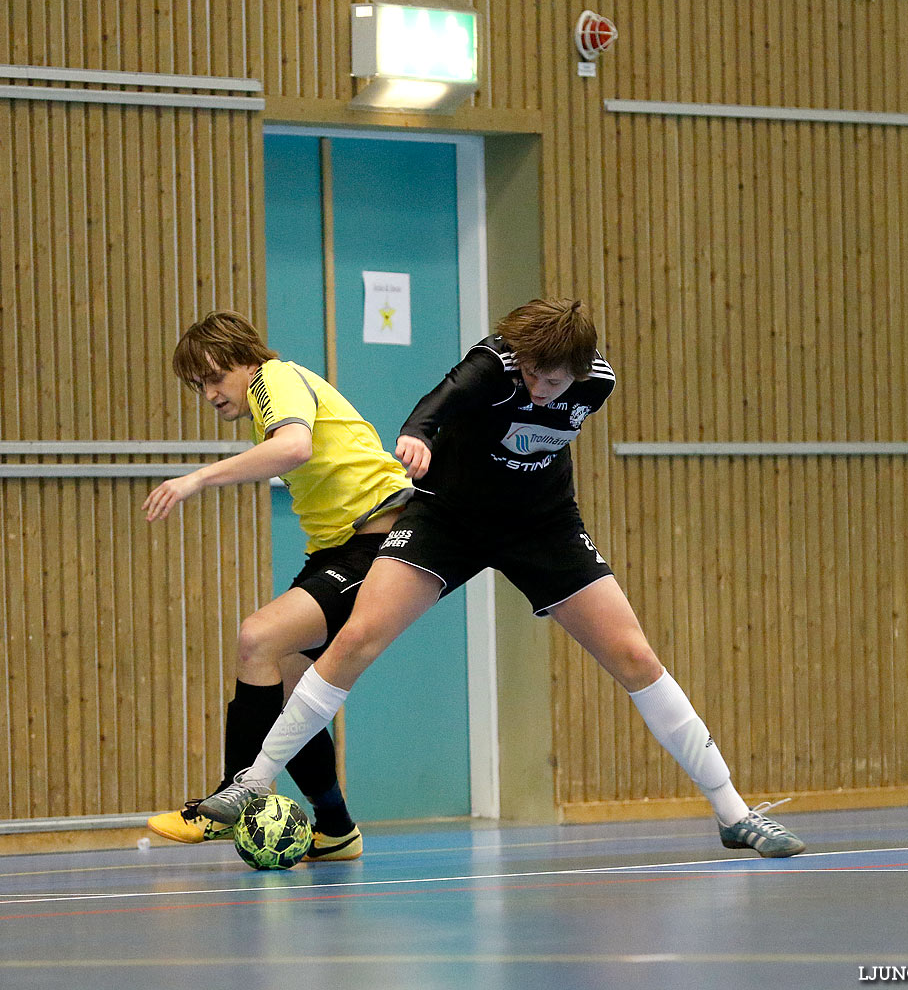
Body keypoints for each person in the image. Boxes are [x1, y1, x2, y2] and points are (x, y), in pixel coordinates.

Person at [201, 298, 805, 857]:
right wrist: (416, 438)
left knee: (634, 654)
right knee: (358, 638)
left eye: (555, 381)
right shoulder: (491, 366)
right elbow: (430, 411)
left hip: (542, 525)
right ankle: (252, 782)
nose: (542, 391)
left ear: (579, 370)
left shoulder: (598, 385)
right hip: (448, 519)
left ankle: (733, 812)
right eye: (533, 376)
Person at [143, 311, 412, 861]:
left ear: (245, 358)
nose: (210, 393)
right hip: (337, 549)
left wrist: (195, 478)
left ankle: (229, 801)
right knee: (292, 695)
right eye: (199, 386)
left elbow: (294, 448)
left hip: (379, 543)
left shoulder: (275, 379)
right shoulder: (263, 400)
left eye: (214, 377)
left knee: (257, 637)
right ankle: (336, 828)